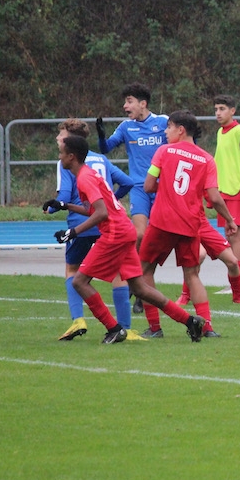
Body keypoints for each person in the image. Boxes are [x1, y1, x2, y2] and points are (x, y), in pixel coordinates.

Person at [51, 134, 205, 344]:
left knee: (79, 281)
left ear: (71, 156)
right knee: (140, 288)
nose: (59, 157)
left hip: (115, 233)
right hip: (124, 230)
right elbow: (94, 209)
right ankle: (190, 321)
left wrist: (73, 232)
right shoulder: (87, 174)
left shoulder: (85, 178)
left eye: (61, 153)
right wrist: (65, 206)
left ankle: (114, 329)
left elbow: (101, 213)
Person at [138, 110, 240, 340]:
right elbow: (214, 197)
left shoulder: (164, 151)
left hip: (162, 222)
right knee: (192, 275)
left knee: (144, 271)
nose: (165, 132)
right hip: (189, 224)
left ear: (181, 130)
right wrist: (229, 220)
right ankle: (207, 328)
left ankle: (155, 327)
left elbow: (148, 186)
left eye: (169, 127)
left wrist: (165, 187)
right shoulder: (207, 159)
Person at [44, 118, 134, 340]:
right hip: (108, 226)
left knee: (73, 272)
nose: (58, 138)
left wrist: (53, 208)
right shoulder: (101, 159)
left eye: (61, 134)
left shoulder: (68, 162)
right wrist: (113, 201)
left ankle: (79, 320)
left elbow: (66, 193)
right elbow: (127, 182)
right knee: (119, 274)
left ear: (69, 140)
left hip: (83, 223)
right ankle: (126, 327)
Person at [95, 82, 169, 314]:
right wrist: (101, 135)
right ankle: (135, 284)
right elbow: (106, 148)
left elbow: (181, 144)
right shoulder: (126, 127)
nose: (125, 106)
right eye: (125, 101)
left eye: (129, 101)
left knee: (154, 242)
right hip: (139, 188)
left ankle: (140, 287)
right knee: (139, 234)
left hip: (163, 188)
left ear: (142, 103)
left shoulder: (163, 122)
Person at [211, 94, 240, 296]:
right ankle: (234, 282)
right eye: (216, 109)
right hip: (223, 192)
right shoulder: (220, 132)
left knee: (236, 236)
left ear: (232, 111)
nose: (218, 113)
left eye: (222, 109)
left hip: (237, 191)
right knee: (229, 237)